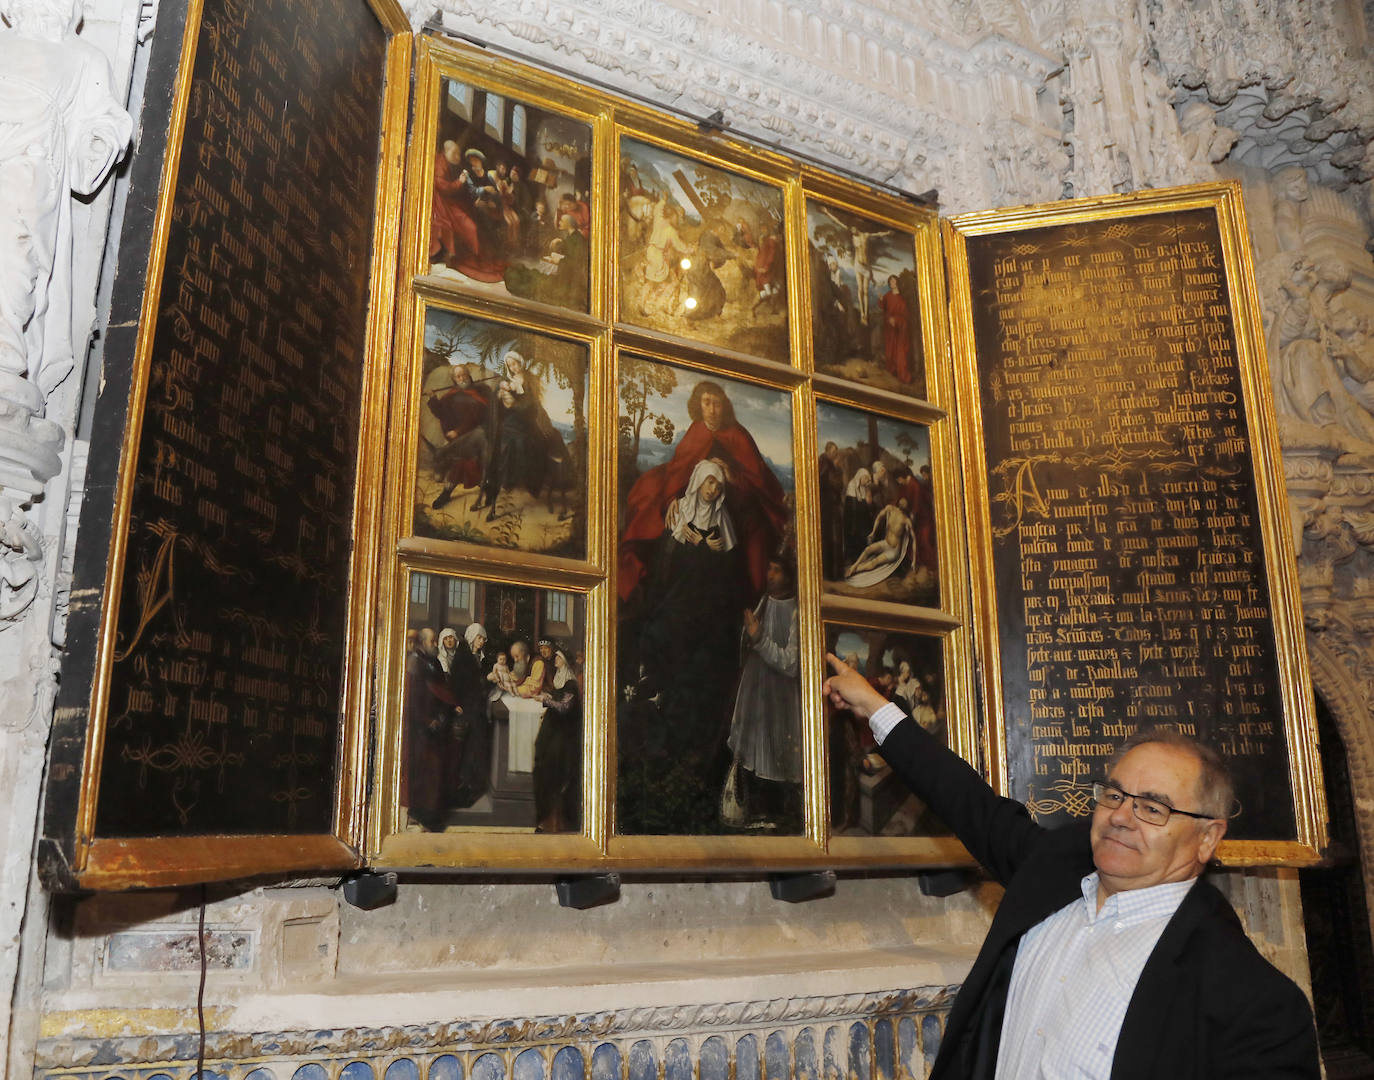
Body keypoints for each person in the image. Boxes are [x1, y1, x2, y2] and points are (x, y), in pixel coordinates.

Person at [821, 654, 1320, 1080]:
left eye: (1153, 807)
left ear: (1207, 836)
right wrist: (874, 707)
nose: (1122, 817)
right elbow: (967, 801)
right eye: (1115, 794)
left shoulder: (1254, 1003)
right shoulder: (1053, 870)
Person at [619, 380, 788, 606]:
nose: (711, 409)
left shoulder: (738, 435)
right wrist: (671, 498)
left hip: (736, 502)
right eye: (706, 403)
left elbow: (756, 480)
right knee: (649, 494)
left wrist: (730, 476)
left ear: (724, 406)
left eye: (716, 404)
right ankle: (658, 589)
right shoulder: (697, 430)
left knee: (748, 547)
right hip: (697, 496)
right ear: (698, 406)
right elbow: (680, 469)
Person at [723, 556, 802, 829]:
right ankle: (752, 811)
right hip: (755, 688)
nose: (770, 574)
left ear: (790, 576)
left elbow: (790, 664)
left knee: (775, 748)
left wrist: (759, 638)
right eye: (769, 567)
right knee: (753, 747)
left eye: (777, 570)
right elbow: (747, 641)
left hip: (779, 696)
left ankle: (777, 814)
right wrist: (748, 637)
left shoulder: (796, 612)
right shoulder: (765, 601)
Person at [534, 648, 582, 833]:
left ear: (564, 661)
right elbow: (558, 698)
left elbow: (565, 706)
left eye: (558, 657)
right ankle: (545, 819)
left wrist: (545, 701)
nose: (555, 659)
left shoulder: (570, 683)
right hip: (553, 732)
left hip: (563, 737)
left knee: (554, 774)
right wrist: (548, 697)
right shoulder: (559, 678)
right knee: (544, 770)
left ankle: (554, 823)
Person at [879, 274, 912, 383]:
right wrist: (880, 300)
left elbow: (905, 317)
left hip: (899, 331)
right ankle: (891, 371)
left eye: (894, 281)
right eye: (890, 282)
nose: (892, 283)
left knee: (899, 352)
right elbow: (884, 307)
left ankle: (903, 376)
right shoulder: (888, 295)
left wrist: (896, 321)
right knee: (890, 351)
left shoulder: (902, 300)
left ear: (897, 282)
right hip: (889, 329)